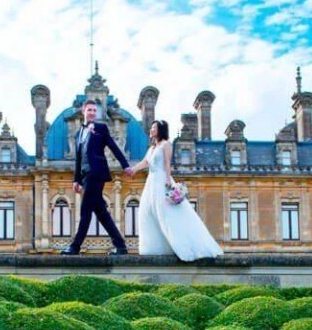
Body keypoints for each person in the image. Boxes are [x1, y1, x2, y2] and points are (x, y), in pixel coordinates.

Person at [132, 119, 223, 261]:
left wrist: (168, 180)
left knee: (166, 214)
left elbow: (167, 164)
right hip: (151, 182)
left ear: (160, 130)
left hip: (161, 180)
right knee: (147, 211)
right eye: (151, 127)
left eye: (154, 127)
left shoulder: (166, 145)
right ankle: (155, 249)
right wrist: (132, 170)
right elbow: (145, 162)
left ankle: (182, 246)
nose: (151, 130)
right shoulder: (151, 149)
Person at [61, 99, 134, 255]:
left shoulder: (101, 128)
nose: (93, 113)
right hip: (85, 175)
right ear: (83, 111)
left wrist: (125, 165)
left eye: (95, 110)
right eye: (90, 110)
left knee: (85, 210)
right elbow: (78, 158)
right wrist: (76, 179)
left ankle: (75, 246)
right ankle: (121, 245)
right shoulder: (79, 133)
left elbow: (113, 146)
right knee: (101, 212)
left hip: (96, 172)